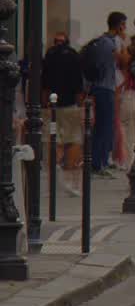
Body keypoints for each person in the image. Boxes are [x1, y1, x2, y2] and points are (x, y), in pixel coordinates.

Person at [81, 12, 127, 178]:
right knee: (104, 127)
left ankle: (98, 161)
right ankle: (98, 163)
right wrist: (124, 40)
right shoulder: (109, 44)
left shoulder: (101, 41)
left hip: (100, 88)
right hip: (105, 89)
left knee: (102, 126)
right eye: (124, 25)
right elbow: (125, 61)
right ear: (120, 25)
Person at [44, 32, 83, 197]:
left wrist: (44, 101)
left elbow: (43, 81)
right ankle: (69, 175)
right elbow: (79, 82)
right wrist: (80, 103)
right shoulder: (73, 56)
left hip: (52, 105)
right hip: (69, 104)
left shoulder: (49, 55)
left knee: (54, 140)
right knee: (73, 140)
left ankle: (55, 172)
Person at [115, 34, 135, 172]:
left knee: (125, 129)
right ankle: (131, 160)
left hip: (128, 95)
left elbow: (124, 80)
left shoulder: (128, 62)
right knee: (133, 131)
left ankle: (126, 161)